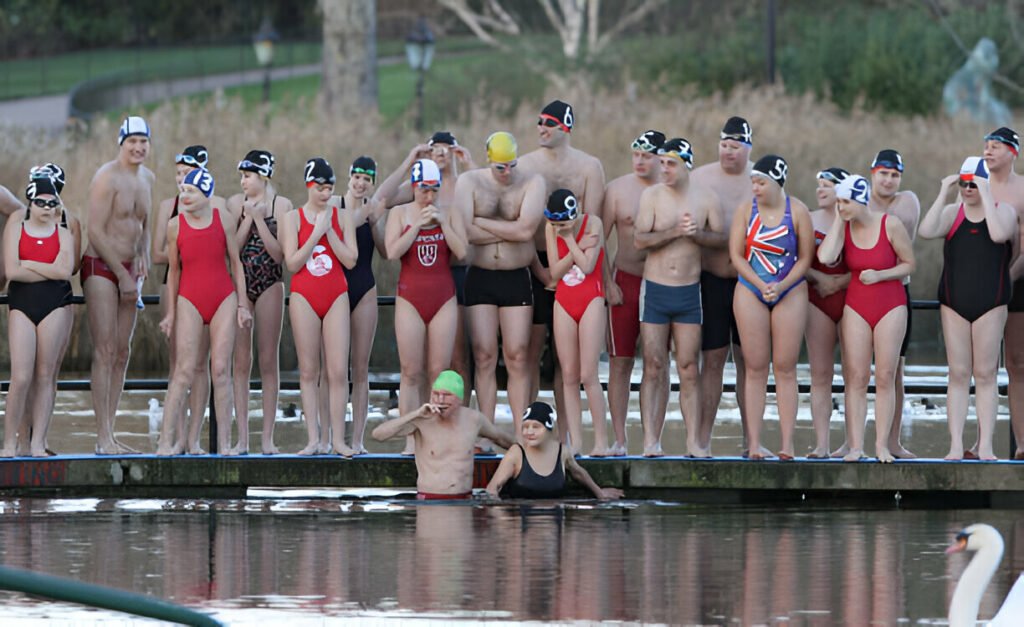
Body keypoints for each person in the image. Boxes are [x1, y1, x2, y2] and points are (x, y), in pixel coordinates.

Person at [918, 157, 1016, 460]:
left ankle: (985, 445)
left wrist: (987, 194)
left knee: (986, 374)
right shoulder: (952, 213)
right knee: (958, 374)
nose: (968, 189)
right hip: (954, 300)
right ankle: (956, 446)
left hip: (992, 300)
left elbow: (999, 235)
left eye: (974, 183)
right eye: (964, 183)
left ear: (986, 184)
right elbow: (926, 230)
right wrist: (944, 192)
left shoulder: (1005, 212)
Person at [518, 100, 606, 428]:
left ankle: (569, 435)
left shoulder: (589, 167)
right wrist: (539, 271)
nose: (541, 128)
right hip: (538, 263)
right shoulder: (526, 165)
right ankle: (525, 429)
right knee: (528, 352)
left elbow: (593, 227)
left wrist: (605, 281)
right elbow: (522, 225)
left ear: (565, 128)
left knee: (566, 364)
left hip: (581, 268)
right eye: (539, 122)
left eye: (548, 123)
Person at [634, 138, 723, 457]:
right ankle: (650, 441)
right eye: (663, 163)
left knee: (688, 366)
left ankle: (693, 443)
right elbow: (640, 240)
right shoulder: (651, 196)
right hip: (655, 289)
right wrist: (675, 232)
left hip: (689, 292)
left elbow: (721, 239)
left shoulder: (706, 197)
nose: (664, 169)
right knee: (654, 365)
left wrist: (697, 234)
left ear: (687, 165)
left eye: (671, 164)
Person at [454, 131, 546, 439]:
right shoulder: (470, 183)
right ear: (489, 161)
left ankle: (523, 433)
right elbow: (464, 231)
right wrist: (510, 229)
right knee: (483, 355)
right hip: (481, 276)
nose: (507, 173)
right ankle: (487, 431)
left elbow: (526, 231)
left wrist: (484, 225)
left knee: (518, 356)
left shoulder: (532, 182)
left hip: (516, 276)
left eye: (511, 166)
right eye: (500, 168)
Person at [817, 174, 915, 463]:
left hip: (891, 304)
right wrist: (838, 220)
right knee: (856, 378)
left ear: (860, 201)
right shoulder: (844, 226)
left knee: (885, 376)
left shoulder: (890, 224)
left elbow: (910, 264)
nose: (841, 207)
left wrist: (881, 275)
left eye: (845, 202)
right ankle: (856, 447)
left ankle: (882, 446)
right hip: (857, 306)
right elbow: (826, 257)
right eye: (838, 203)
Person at [156, 168, 251, 455]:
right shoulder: (175, 226)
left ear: (206, 194)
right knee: (184, 371)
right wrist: (171, 313)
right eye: (183, 190)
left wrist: (243, 305)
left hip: (223, 296)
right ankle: (164, 443)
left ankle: (223, 446)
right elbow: (173, 272)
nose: (184, 196)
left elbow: (236, 263)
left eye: (191, 191)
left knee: (220, 370)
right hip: (189, 298)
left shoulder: (223, 220)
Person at [729, 155, 813, 460]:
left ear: (778, 182)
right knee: (755, 367)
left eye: (761, 182)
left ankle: (787, 443)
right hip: (751, 286)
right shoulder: (745, 210)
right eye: (753, 181)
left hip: (788, 288)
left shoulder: (798, 211)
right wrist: (759, 283)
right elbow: (736, 255)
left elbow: (805, 259)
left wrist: (781, 284)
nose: (755, 187)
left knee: (786, 367)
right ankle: (754, 443)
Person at [385, 158, 468, 451]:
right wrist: (416, 225)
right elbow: (392, 251)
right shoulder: (399, 213)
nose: (428, 197)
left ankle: (436, 435)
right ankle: (411, 440)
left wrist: (443, 223)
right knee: (410, 371)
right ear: (414, 188)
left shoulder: (450, 212)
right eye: (423, 191)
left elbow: (462, 252)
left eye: (433, 190)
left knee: (439, 371)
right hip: (410, 296)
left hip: (443, 296)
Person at [84, 116, 155, 454]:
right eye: (133, 142)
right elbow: (94, 231)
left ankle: (111, 433)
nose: (139, 148)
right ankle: (101, 437)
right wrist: (123, 275)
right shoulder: (105, 178)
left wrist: (142, 256)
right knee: (106, 349)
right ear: (121, 143)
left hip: (131, 270)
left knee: (123, 352)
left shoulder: (149, 178)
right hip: (101, 266)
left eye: (144, 142)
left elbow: (146, 225)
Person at [280, 158, 358, 456]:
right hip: (304, 295)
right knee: (309, 371)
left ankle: (337, 439)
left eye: (329, 188)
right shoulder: (293, 218)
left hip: (336, 292)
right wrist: (315, 232)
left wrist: (330, 231)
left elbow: (350, 260)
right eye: (320, 188)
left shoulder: (343, 217)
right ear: (308, 186)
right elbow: (292, 263)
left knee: (338, 371)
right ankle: (314, 439)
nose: (325, 194)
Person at [691, 116, 754, 455]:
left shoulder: (761, 179)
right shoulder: (700, 177)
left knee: (750, 360)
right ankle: (702, 440)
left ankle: (751, 440)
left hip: (750, 282)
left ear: (748, 148)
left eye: (736, 146)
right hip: (711, 278)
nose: (729, 152)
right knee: (712, 359)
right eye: (724, 145)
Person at [9, 164, 82, 456]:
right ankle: (18, 441)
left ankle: (40, 440)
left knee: (47, 374)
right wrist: (45, 269)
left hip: (57, 301)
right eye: (41, 198)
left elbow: (70, 269)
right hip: (23, 301)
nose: (47, 204)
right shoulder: (18, 219)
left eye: (53, 197)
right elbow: (12, 269)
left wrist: (28, 265)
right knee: (22, 376)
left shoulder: (69, 223)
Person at [602, 130, 666, 456]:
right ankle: (620, 439)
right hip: (624, 280)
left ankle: (652, 439)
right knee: (620, 362)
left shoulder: (673, 189)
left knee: (657, 363)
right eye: (636, 155)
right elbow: (598, 237)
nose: (640, 161)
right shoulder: (616, 190)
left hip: (660, 283)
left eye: (647, 156)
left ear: (660, 158)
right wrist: (606, 283)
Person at [152, 146, 218, 454]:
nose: (181, 179)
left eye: (187, 173)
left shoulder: (213, 206)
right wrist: (186, 248)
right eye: (178, 173)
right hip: (177, 283)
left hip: (207, 286)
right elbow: (156, 253)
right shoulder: (169, 206)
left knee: (201, 366)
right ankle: (174, 437)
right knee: (178, 365)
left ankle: (194, 438)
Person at [227, 150, 291, 455]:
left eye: (248, 176)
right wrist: (247, 218)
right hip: (241, 285)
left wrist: (260, 221)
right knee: (241, 362)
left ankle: (267, 438)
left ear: (263, 176)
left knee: (268, 361)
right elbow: (233, 251)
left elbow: (280, 255)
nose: (242, 182)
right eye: (241, 176)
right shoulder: (233, 204)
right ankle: (242, 439)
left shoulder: (282, 206)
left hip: (270, 283)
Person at [372, 371, 515, 500]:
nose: (440, 400)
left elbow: (501, 438)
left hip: (464, 500)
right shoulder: (422, 420)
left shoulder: (473, 420)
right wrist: (415, 414)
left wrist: (525, 452)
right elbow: (378, 435)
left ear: (459, 398)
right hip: (429, 500)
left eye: (447, 395)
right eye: (436, 394)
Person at [543, 188, 609, 456]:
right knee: (568, 375)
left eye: (563, 224)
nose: (559, 228)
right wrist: (575, 244)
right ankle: (576, 443)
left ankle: (602, 442)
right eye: (555, 224)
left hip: (591, 296)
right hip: (564, 299)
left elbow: (588, 266)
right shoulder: (550, 229)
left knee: (588, 374)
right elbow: (555, 272)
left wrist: (571, 241)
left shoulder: (593, 223)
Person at [865, 149, 921, 459]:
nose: (888, 180)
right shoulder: (858, 197)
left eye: (895, 175)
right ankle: (853, 441)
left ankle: (893, 441)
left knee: (893, 373)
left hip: (897, 293)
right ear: (872, 173)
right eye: (883, 173)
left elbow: (895, 231)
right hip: (861, 294)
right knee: (856, 371)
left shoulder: (908, 201)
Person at [337, 155, 385, 454]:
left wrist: (375, 222)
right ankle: (332, 437)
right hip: (336, 289)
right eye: (357, 177)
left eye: (366, 180)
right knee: (334, 369)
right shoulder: (334, 206)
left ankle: (357, 439)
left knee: (361, 368)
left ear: (372, 183)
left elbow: (384, 250)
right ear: (349, 177)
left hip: (365, 287)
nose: (360, 183)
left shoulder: (373, 210)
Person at [485, 402, 624, 499]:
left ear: (549, 429)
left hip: (553, 533)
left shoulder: (561, 452)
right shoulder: (517, 453)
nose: (529, 432)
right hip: (521, 534)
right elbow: (492, 489)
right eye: (525, 426)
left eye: (536, 427)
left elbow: (578, 473)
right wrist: (502, 522)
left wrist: (599, 493)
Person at [805, 167, 851, 458]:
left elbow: (865, 260)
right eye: (818, 185)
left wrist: (839, 282)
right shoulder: (807, 220)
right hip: (816, 299)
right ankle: (821, 444)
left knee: (853, 375)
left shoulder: (854, 218)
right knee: (820, 374)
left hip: (850, 300)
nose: (820, 190)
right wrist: (820, 279)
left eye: (827, 186)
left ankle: (850, 442)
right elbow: (797, 262)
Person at [985, 127, 1024, 458]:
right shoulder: (974, 185)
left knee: (1016, 364)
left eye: (995, 146)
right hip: (976, 286)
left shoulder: (1023, 190)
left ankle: (1021, 442)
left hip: (1014, 284)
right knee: (980, 367)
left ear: (1012, 152)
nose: (988, 151)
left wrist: (1005, 280)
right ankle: (981, 443)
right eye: (986, 146)